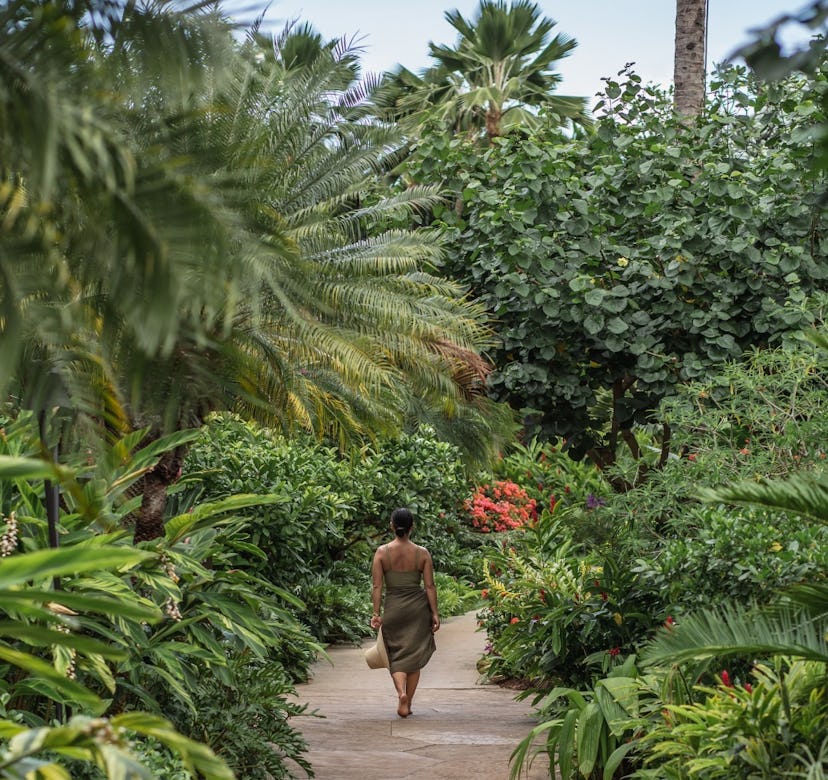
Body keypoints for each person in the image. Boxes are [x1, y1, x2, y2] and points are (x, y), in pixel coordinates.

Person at [370, 507, 440, 718]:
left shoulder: (382, 552)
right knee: (414, 657)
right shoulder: (422, 553)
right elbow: (430, 586)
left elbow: (377, 587)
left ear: (392, 526)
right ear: (412, 527)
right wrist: (435, 613)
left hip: (394, 607)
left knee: (396, 657)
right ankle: (407, 703)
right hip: (418, 610)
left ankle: (401, 693)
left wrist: (376, 613)